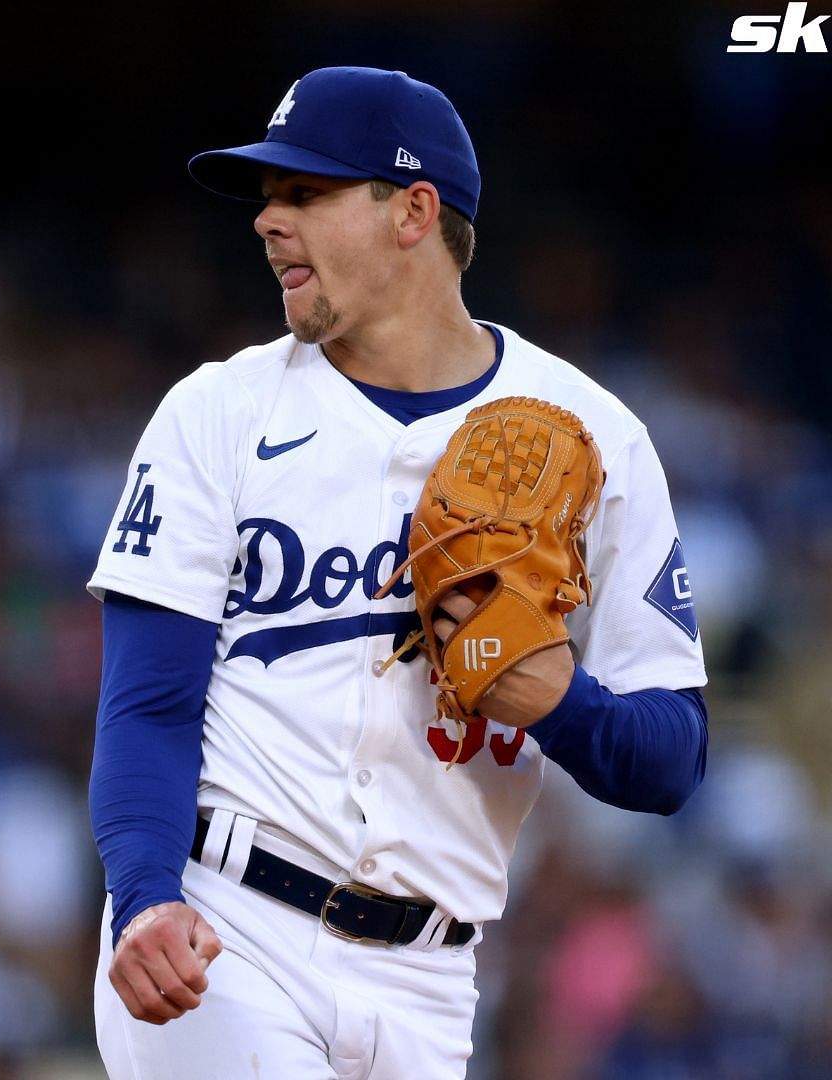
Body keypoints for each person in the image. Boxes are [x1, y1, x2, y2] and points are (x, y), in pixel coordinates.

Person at [86, 66, 708, 1079]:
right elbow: (148, 706)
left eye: (305, 193)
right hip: (225, 935)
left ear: (413, 211)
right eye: (268, 197)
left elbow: (673, 756)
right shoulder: (218, 411)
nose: (267, 222)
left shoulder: (596, 438)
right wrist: (147, 894)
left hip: (434, 982)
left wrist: (560, 703)